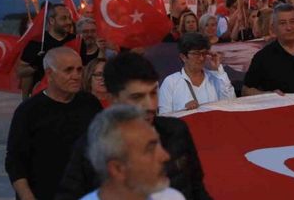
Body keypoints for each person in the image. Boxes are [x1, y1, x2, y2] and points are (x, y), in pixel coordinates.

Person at [56, 52, 212, 200]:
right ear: (113, 99)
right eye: (137, 97)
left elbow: (197, 188)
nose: (150, 105)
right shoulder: (89, 147)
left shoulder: (176, 130)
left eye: (153, 93)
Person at [6, 47, 102, 200]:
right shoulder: (28, 111)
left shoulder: (90, 104)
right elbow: (15, 161)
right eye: (68, 70)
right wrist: (27, 196)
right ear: (50, 74)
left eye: (79, 70)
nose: (76, 76)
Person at [82, 105, 184, 200]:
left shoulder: (172, 197)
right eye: (150, 149)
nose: (165, 156)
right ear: (117, 168)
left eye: (159, 144)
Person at [159, 33, 235, 113]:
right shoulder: (170, 82)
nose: (202, 58)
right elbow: (164, 117)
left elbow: (231, 103)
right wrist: (184, 111)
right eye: (196, 54)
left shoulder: (216, 77)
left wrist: (218, 69)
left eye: (204, 53)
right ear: (183, 57)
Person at [17, 3, 79, 99]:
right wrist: (36, 66)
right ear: (51, 20)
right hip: (43, 95)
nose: (68, 22)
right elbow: (20, 72)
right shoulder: (37, 43)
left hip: (71, 95)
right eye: (63, 18)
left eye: (69, 18)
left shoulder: (77, 41)